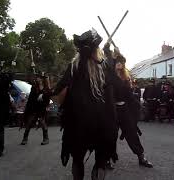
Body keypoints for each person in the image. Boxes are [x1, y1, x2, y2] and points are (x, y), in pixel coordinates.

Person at [53, 29, 119, 180]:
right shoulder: (104, 67)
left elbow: (58, 93)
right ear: (96, 49)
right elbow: (118, 87)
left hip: (79, 124)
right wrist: (112, 55)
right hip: (102, 123)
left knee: (78, 159)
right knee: (100, 161)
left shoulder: (73, 67)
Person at [103, 43, 153, 169]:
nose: (119, 64)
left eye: (121, 62)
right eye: (117, 62)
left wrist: (136, 108)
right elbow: (108, 62)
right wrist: (107, 49)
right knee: (110, 135)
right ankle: (107, 159)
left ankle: (141, 157)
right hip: (111, 110)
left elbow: (129, 96)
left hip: (124, 109)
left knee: (132, 133)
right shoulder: (109, 75)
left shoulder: (126, 78)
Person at [20, 74, 51, 145]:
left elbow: (48, 97)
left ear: (42, 79)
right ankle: (25, 138)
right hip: (34, 107)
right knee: (29, 122)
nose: (37, 79)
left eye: (39, 78)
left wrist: (43, 96)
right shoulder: (34, 87)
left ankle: (46, 139)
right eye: (37, 77)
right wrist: (37, 98)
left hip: (42, 108)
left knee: (42, 122)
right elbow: (31, 98)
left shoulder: (46, 88)